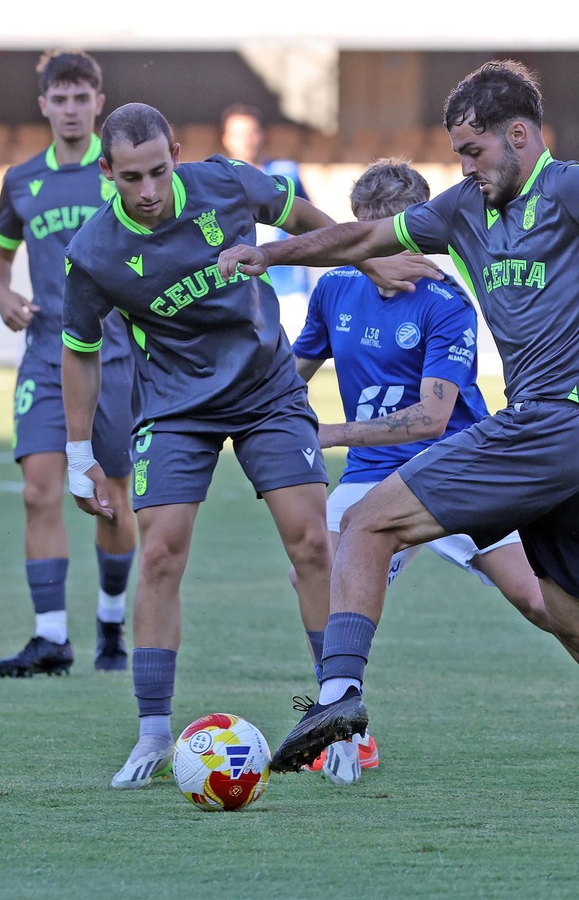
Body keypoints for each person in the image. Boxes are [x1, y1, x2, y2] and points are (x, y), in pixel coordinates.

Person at [220, 60, 579, 800]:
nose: (465, 168)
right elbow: (362, 239)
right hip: (573, 443)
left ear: (518, 134)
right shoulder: (462, 210)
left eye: (473, 151)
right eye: (458, 154)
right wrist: (269, 252)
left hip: (553, 422)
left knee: (367, 524)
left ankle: (339, 698)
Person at [58, 102, 438, 789]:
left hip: (268, 390)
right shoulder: (94, 253)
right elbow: (79, 351)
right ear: (106, 170)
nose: (148, 191)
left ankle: (340, 715)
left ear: (177, 153)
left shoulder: (226, 182)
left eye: (158, 171)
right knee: (160, 552)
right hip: (175, 406)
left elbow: (305, 219)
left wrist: (369, 262)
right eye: (131, 178)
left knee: (313, 544)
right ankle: (152, 732)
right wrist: (79, 454)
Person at [290, 159, 579, 783]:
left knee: (541, 603)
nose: (381, 255)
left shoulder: (447, 302)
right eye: (368, 239)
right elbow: (293, 377)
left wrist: (327, 433)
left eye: (391, 238)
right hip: (372, 474)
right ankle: (347, 726)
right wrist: (269, 415)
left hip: (461, 468)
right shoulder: (335, 290)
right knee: (317, 566)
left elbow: (431, 420)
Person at [0, 50, 137, 677]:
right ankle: (50, 637)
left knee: (113, 498)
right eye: (60, 99)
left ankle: (110, 620)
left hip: (117, 360)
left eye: (81, 98)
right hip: (47, 355)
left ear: (98, 103)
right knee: (38, 491)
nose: (71, 110)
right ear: (43, 104)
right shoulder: (22, 180)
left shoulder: (122, 174)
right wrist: (2, 294)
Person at [221, 104, 313, 334]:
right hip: (238, 290)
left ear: (262, 135)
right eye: (238, 134)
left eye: (251, 132)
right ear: (226, 138)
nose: (246, 141)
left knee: (297, 348)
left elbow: (309, 216)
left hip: (288, 285)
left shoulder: (286, 173)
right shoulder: (214, 182)